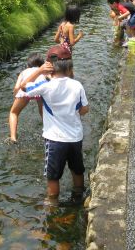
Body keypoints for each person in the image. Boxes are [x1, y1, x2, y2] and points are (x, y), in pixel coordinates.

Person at [20, 45, 89, 203]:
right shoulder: (77, 85)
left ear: (49, 67)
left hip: (54, 140)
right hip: (75, 138)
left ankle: (52, 207)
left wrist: (38, 71)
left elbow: (23, 86)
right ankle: (78, 197)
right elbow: (85, 109)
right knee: (77, 171)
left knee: (53, 177)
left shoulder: (45, 86)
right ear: (70, 66)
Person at [7, 52, 45, 143]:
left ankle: (13, 138)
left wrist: (16, 96)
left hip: (24, 92)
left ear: (28, 65)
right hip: (40, 91)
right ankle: (48, 132)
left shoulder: (24, 72)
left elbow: (17, 87)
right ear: (42, 64)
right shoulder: (43, 71)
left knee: (14, 112)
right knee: (43, 112)